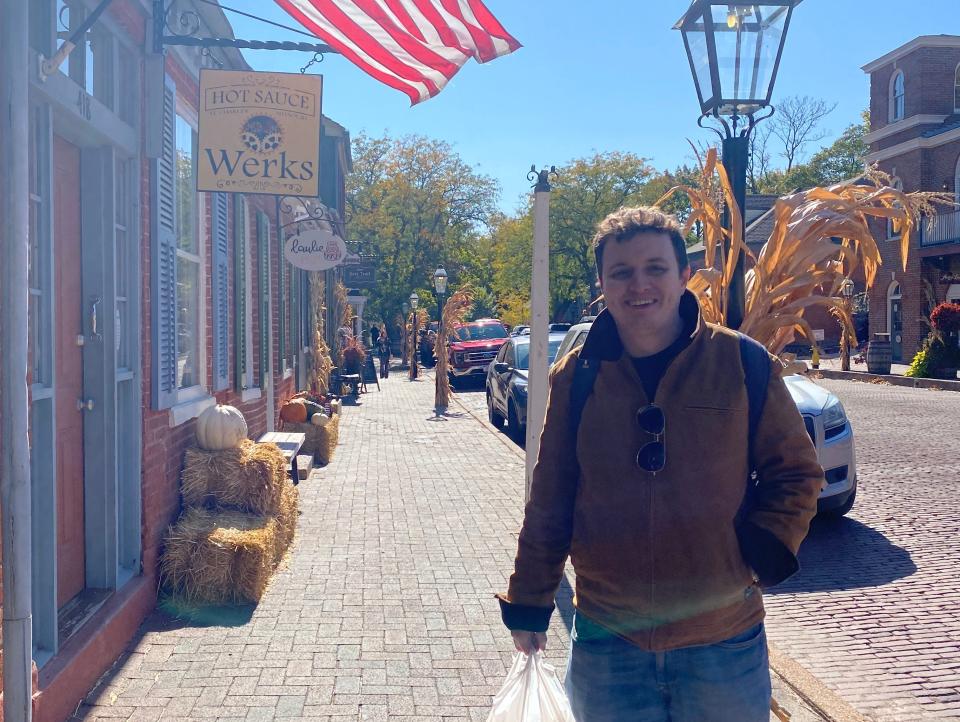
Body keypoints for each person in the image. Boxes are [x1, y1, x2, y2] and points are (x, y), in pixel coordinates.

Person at [496, 207, 823, 722]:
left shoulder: (742, 362)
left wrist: (762, 550)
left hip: (722, 640)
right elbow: (551, 496)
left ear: (683, 275)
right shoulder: (577, 376)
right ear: (602, 283)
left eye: (655, 268)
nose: (639, 285)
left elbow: (797, 471)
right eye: (621, 272)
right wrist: (531, 598)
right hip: (608, 640)